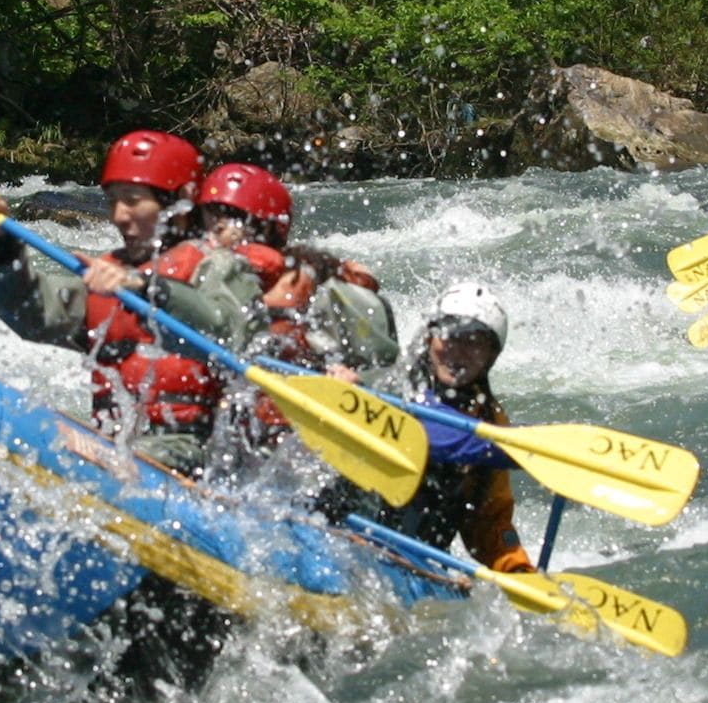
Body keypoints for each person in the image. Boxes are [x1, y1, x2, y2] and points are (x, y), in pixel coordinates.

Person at [0, 130, 260, 476]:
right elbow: (32, 315)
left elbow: (228, 332)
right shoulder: (111, 272)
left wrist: (146, 290)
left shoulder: (221, 265)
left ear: (182, 201)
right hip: (119, 447)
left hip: (200, 452)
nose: (118, 215)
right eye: (113, 200)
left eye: (132, 200)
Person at [318, 286, 534, 573]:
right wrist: (343, 394)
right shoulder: (386, 385)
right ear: (430, 337)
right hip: (342, 536)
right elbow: (427, 429)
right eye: (450, 336)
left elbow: (488, 521)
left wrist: (517, 569)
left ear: (490, 356)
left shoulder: (491, 422)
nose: (458, 351)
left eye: (474, 343)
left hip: (412, 565)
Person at [193, 162, 400, 378]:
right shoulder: (196, 273)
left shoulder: (310, 278)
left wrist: (354, 379)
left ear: (271, 227)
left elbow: (386, 372)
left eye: (230, 217)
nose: (215, 230)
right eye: (209, 218)